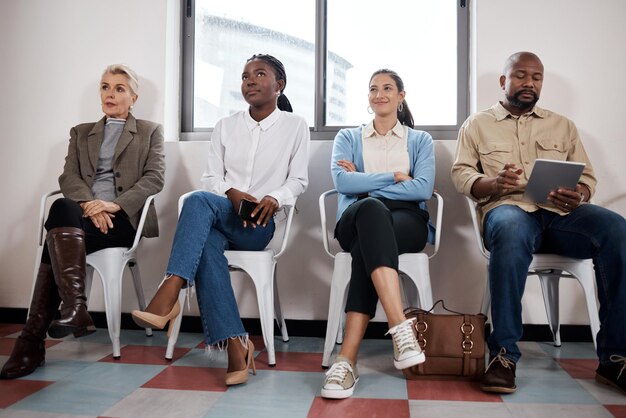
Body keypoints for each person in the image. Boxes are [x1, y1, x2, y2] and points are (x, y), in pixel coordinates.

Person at [451, 51, 626, 395]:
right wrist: (493, 184)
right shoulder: (477, 124)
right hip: (509, 210)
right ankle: (504, 356)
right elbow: (461, 174)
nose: (529, 83)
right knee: (513, 228)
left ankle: (615, 359)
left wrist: (580, 193)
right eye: (520, 76)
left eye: (536, 77)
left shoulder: (563, 125)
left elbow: (588, 177)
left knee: (617, 230)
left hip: (561, 217)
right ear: (504, 81)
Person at [131, 54, 309, 386]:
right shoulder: (226, 125)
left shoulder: (294, 126)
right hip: (224, 215)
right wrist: (231, 192)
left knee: (198, 204)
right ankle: (236, 345)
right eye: (244, 76)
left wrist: (274, 197)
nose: (250, 81)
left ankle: (171, 287)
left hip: (260, 225)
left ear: (279, 85)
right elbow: (210, 178)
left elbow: (298, 180)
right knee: (207, 235)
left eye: (259, 74)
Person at [0, 64, 165, 379]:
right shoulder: (81, 132)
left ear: (134, 97)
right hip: (83, 217)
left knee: (55, 236)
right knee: (63, 206)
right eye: (105, 87)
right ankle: (73, 310)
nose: (110, 94)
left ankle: (33, 340)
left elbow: (154, 179)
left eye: (119, 88)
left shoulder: (150, 131)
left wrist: (112, 205)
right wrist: (90, 205)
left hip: (124, 220)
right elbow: (69, 176)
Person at [320, 69, 436, 399]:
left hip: (408, 223)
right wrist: (396, 178)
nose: (379, 94)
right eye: (373, 89)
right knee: (371, 214)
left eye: (387, 88)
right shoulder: (347, 137)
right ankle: (401, 328)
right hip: (354, 219)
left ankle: (346, 360)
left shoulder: (420, 140)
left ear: (401, 96)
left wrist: (367, 184)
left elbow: (423, 188)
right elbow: (343, 184)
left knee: (367, 239)